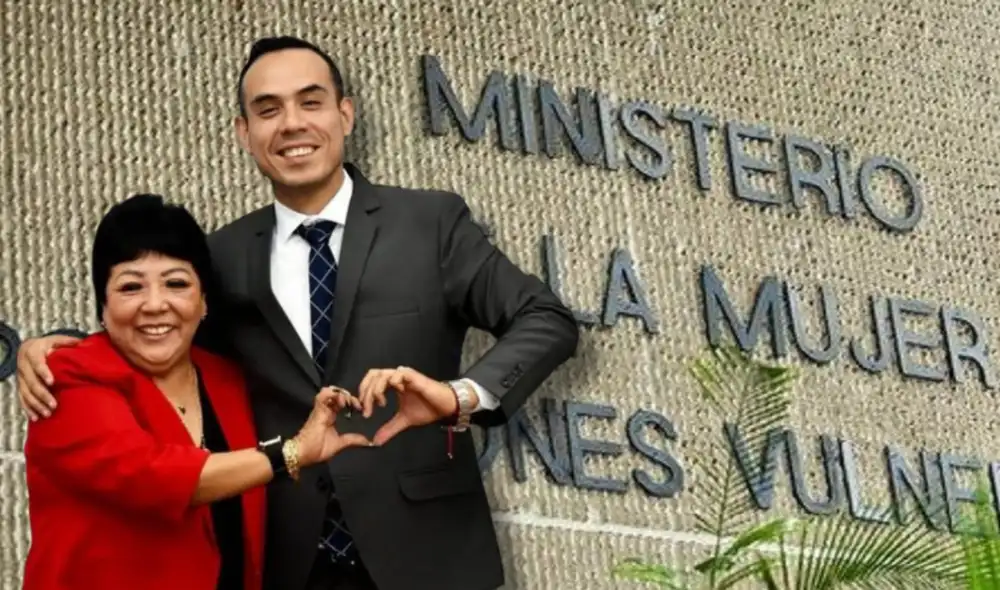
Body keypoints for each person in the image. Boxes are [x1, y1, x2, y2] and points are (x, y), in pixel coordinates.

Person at [17, 36, 580, 590]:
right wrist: (51, 345)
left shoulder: (431, 223)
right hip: (286, 559)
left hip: (427, 552)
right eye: (268, 110)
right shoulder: (222, 255)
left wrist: (459, 395)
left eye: (310, 102)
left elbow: (544, 318)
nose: (291, 123)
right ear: (245, 133)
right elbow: (159, 334)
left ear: (346, 114)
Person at [20, 194, 370, 590]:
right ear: (103, 306)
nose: (155, 304)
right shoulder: (66, 378)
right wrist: (293, 452)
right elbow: (150, 476)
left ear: (203, 302)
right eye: (131, 287)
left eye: (176, 283)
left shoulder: (227, 378)